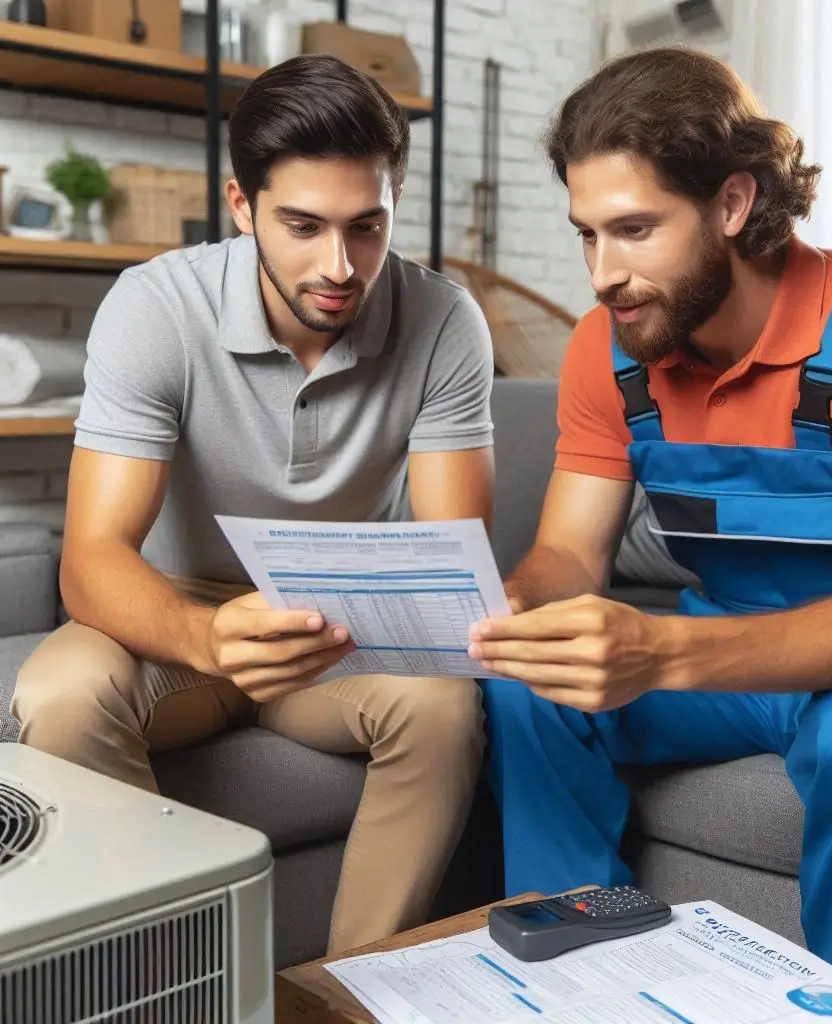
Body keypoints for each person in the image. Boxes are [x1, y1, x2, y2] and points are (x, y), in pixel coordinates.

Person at [472, 47, 832, 998]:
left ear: (733, 204)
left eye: (633, 230)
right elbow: (567, 555)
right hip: (725, 650)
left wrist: (659, 653)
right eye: (587, 234)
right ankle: (580, 985)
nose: (602, 274)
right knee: (526, 684)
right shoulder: (611, 347)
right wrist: (506, 609)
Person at [11, 55, 496, 953]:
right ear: (241, 205)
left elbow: (449, 558)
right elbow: (93, 558)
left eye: (368, 227)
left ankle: (348, 993)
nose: (339, 266)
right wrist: (206, 636)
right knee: (58, 693)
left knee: (443, 706)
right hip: (175, 620)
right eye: (303, 226)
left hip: (346, 626)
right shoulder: (156, 306)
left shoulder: (444, 319)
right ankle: (172, 981)